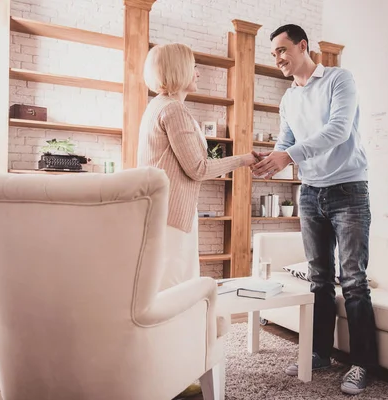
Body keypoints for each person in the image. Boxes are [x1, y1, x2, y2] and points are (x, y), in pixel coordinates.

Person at [251, 24, 377, 395]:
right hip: (310, 192)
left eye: (281, 50)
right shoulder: (288, 98)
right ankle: (320, 353)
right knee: (319, 279)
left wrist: (287, 155)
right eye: (273, 53)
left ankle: (361, 364)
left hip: (349, 190)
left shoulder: (339, 79)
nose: (277, 58)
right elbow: (286, 140)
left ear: (302, 46)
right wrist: (273, 159)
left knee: (353, 280)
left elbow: (339, 130)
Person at [137, 43, 257, 398]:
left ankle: (170, 370)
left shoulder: (155, 107)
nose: (199, 73)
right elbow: (199, 168)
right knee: (178, 297)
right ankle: (175, 375)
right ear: (177, 70)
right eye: (193, 66)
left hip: (159, 216)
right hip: (172, 219)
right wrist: (244, 159)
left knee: (163, 294)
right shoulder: (174, 110)